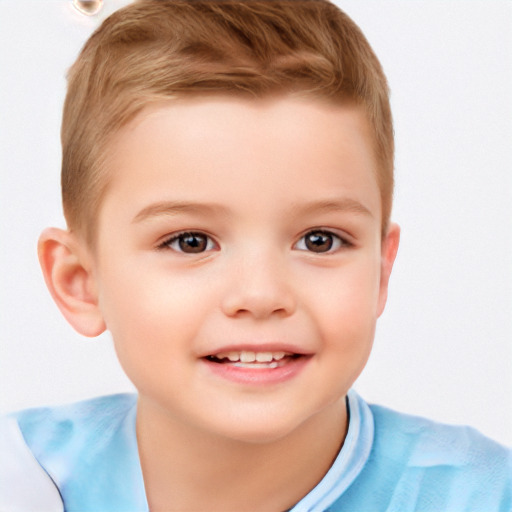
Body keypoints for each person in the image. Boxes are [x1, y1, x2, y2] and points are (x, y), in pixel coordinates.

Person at [0, 1, 510, 511]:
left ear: (380, 267)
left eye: (320, 240)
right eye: (191, 242)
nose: (261, 295)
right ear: (80, 282)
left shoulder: (483, 496)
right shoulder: (22, 482)